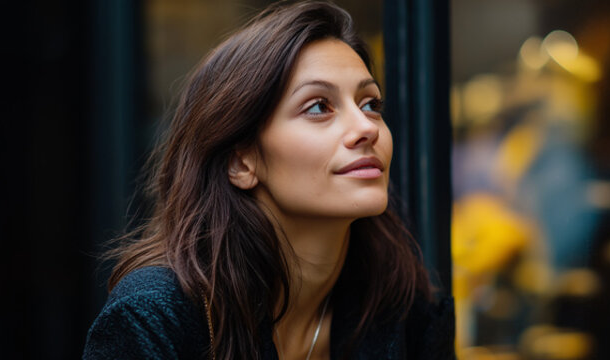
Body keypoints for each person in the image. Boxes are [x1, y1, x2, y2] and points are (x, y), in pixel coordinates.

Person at [82, 1, 454, 359]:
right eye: (318, 107)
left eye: (370, 104)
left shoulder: (400, 304)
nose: (365, 128)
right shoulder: (156, 319)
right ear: (242, 162)